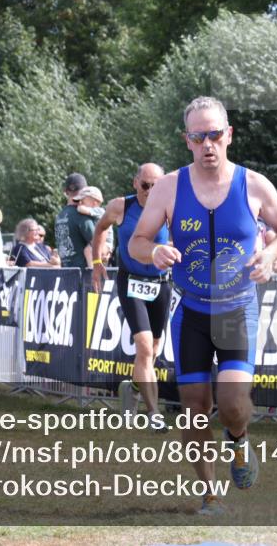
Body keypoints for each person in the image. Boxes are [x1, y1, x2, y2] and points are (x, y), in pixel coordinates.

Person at [128, 96, 277, 516]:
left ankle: (239, 441)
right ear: (187, 140)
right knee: (194, 408)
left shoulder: (254, 184)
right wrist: (154, 253)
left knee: (233, 403)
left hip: (237, 308)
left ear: (229, 136)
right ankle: (210, 493)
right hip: (192, 312)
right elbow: (137, 241)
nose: (208, 144)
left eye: (215, 135)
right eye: (198, 136)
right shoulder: (168, 186)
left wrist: (272, 254)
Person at [91, 163, 172, 426]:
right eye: (146, 185)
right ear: (135, 183)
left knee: (153, 351)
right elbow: (100, 229)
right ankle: (153, 414)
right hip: (131, 282)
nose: (150, 191)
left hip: (160, 283)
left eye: (156, 185)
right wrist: (96, 262)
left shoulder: (171, 207)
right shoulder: (119, 207)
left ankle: (133, 389)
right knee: (145, 348)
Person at [55, 173, 88, 268]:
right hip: (84, 274)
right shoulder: (82, 214)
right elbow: (96, 242)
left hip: (65, 271)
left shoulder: (59, 215)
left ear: (65, 191)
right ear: (85, 190)